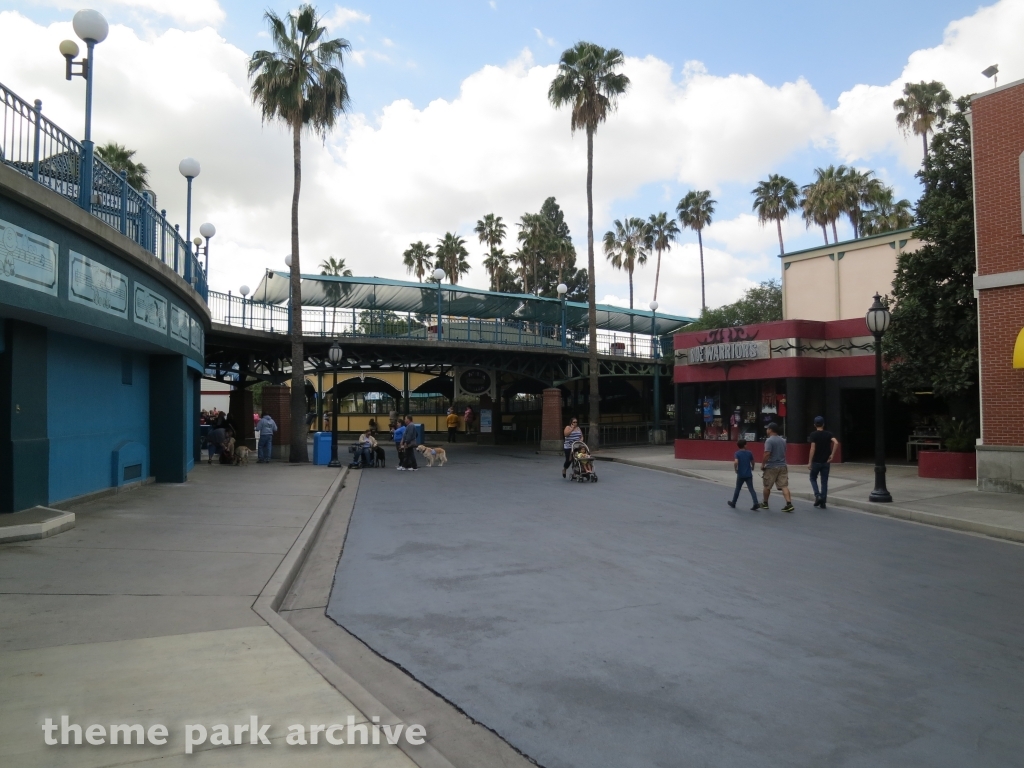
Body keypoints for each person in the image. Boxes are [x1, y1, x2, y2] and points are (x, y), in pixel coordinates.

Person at [761, 422, 794, 513]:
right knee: (784, 485)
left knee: (767, 485)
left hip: (772, 466)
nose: (766, 430)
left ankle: (765, 503)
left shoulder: (769, 441)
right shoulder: (783, 440)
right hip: (783, 465)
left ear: (770, 430)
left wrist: (763, 464)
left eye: (767, 428)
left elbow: (767, 453)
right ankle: (789, 503)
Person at [807, 416, 840, 509]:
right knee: (824, 481)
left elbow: (812, 448)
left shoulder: (813, 435)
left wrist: (810, 461)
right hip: (826, 461)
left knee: (813, 478)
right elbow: (836, 442)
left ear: (814, 425)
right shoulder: (828, 434)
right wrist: (832, 455)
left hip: (816, 461)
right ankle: (823, 502)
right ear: (823, 424)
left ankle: (818, 495)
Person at [727, 439, 760, 510]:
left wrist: (735, 469)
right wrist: (752, 467)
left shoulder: (737, 453)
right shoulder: (749, 453)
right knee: (751, 489)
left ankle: (734, 502)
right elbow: (753, 461)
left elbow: (736, 462)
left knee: (738, 489)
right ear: (744, 445)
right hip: (748, 474)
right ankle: (755, 502)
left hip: (741, 474)